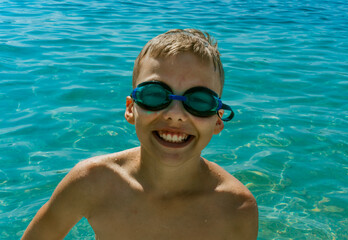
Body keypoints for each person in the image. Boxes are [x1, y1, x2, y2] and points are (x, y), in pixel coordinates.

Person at [22, 29, 258, 240]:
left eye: (199, 100)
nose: (175, 114)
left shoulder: (236, 208)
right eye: (155, 95)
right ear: (130, 109)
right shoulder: (92, 182)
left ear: (218, 120)